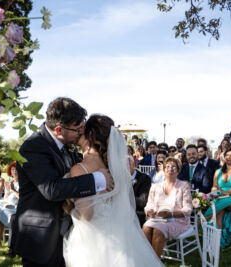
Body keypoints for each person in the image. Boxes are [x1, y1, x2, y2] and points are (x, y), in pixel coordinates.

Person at [14, 98, 113, 267]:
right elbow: (51, 189)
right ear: (59, 129)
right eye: (78, 129)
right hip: (40, 237)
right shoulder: (33, 147)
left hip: (63, 234)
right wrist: (98, 179)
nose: (81, 132)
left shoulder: (65, 145)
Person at [63, 114, 163, 267]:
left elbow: (87, 216)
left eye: (82, 129)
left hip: (93, 242)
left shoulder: (79, 169)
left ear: (90, 135)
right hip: (122, 237)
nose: (78, 132)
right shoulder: (117, 168)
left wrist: (67, 207)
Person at [143, 157, 192, 258]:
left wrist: (171, 214)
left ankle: (155, 262)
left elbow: (188, 209)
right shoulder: (155, 186)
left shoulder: (184, 186)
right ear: (163, 170)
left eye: (174, 167)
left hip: (178, 220)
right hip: (157, 218)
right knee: (146, 228)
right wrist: (149, 211)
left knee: (158, 229)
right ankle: (147, 259)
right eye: (168, 167)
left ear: (178, 170)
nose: (171, 169)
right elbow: (149, 204)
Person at [0, 161, 20, 250]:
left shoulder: (23, 183)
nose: (14, 171)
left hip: (15, 208)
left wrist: (13, 190)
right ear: (10, 172)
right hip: (7, 207)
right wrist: (7, 191)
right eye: (12, 169)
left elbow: (21, 199)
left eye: (16, 170)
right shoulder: (10, 182)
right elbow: (5, 199)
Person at [129, 156, 152, 227]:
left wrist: (123, 198)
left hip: (137, 212)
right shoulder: (119, 179)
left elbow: (142, 201)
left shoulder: (144, 178)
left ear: (133, 165)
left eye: (126, 165)